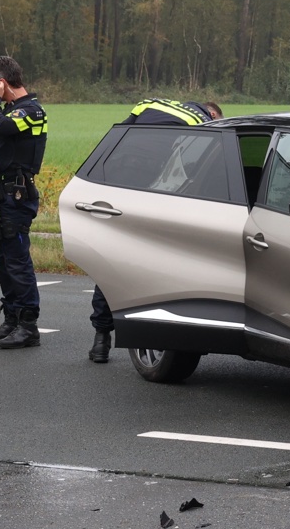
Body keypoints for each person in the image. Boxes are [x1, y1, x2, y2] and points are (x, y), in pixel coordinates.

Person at [86, 98, 224, 363]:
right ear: (212, 113)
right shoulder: (202, 122)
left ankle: (101, 340)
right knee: (152, 262)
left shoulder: (149, 104)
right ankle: (153, 330)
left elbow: (116, 136)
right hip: (151, 189)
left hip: (117, 180)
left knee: (110, 260)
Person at [0, 56, 48, 350]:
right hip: (0, 196)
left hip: (16, 197)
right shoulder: (11, 110)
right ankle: (12, 319)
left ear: (1, 82)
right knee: (4, 261)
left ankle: (28, 326)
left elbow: (1, 127)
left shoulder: (32, 111)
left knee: (18, 261)